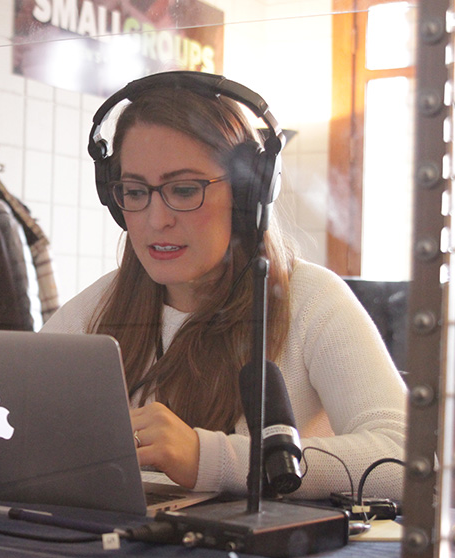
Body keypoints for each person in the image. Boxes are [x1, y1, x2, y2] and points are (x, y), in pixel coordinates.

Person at [41, 73, 407, 501]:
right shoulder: (98, 308)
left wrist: (209, 459)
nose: (156, 219)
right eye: (136, 191)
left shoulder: (310, 300)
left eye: (183, 189)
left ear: (246, 193)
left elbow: (403, 461)